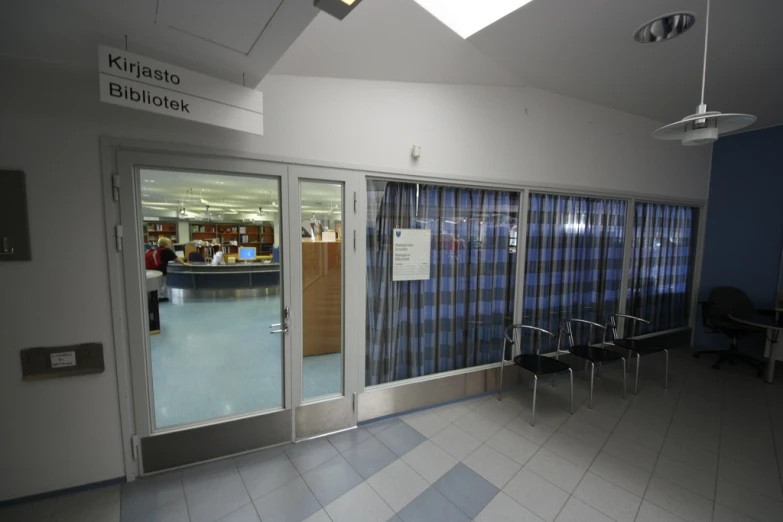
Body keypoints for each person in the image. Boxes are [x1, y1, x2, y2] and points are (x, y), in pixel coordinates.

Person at [154, 237, 188, 302]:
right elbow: (176, 258)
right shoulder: (167, 250)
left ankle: (158, 296)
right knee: (163, 283)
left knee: (158, 283)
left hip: (155, 269)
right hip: (162, 269)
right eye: (169, 242)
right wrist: (184, 263)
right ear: (166, 243)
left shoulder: (157, 249)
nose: (170, 244)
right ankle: (162, 297)